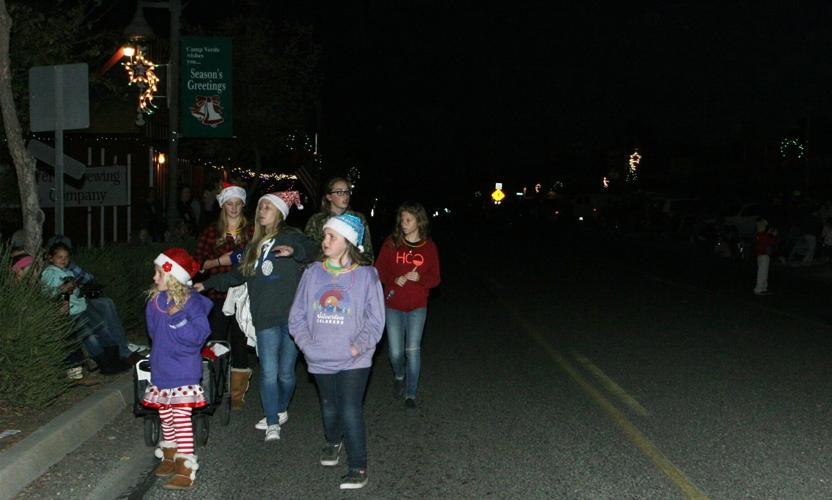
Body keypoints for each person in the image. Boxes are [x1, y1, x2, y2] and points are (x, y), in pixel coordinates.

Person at [196, 191, 316, 441]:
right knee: (269, 372)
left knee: (286, 374)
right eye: (260, 206)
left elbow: (311, 248)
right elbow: (235, 275)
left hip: (292, 319)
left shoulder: (291, 236)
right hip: (265, 318)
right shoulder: (253, 247)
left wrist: (293, 250)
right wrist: (206, 284)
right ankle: (272, 421)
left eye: (267, 207)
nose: (261, 211)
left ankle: (281, 408)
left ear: (280, 213)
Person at [289, 213, 385, 490]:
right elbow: (296, 316)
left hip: (355, 358)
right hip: (319, 358)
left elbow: (376, 319)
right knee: (329, 408)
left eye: (332, 236)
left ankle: (358, 466)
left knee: (350, 409)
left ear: (348, 242)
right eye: (325, 235)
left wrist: (359, 345)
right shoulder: (312, 272)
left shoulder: (367, 275)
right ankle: (333, 441)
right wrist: (307, 345)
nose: (325, 240)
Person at [142, 247, 212, 490]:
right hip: (162, 370)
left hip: (184, 370)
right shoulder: (155, 302)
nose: (154, 278)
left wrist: (179, 319)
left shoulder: (191, 304)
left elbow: (198, 337)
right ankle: (170, 456)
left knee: (181, 420)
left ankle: (186, 466)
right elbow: (153, 334)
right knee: (166, 417)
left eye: (159, 273)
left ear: (173, 277)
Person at [374, 202, 441, 408]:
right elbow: (378, 270)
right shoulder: (391, 242)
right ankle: (399, 375)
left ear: (419, 222)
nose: (403, 223)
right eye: (402, 219)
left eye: (408, 220)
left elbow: (436, 278)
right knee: (395, 352)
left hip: (417, 306)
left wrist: (419, 277)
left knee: (412, 349)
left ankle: (410, 393)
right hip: (393, 304)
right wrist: (394, 280)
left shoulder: (428, 247)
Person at [195, 182, 254, 410]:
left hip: (244, 294)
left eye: (238, 204)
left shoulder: (251, 231)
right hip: (217, 294)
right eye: (229, 203)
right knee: (217, 340)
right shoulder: (212, 232)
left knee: (240, 341)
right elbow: (199, 265)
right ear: (222, 206)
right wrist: (221, 260)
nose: (234, 208)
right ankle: (214, 388)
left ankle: (237, 394)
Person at [40, 242, 130, 377]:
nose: (63, 260)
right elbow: (50, 293)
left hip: (82, 307)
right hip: (71, 312)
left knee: (101, 328)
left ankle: (114, 360)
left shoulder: (68, 272)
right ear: (51, 258)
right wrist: (63, 289)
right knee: (89, 336)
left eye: (66, 257)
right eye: (60, 257)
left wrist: (74, 289)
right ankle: (104, 364)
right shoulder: (49, 273)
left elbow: (75, 293)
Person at [304, 177, 374, 262]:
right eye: (339, 192)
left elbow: (367, 251)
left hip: (351, 269)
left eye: (347, 191)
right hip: (323, 268)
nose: (345, 196)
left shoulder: (357, 219)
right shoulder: (317, 220)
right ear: (329, 197)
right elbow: (307, 248)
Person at [754, 218, 777, 296]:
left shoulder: (759, 234)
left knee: (763, 272)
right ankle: (759, 289)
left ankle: (763, 288)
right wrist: (772, 235)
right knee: (762, 272)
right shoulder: (762, 235)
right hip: (763, 255)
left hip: (761, 255)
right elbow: (770, 243)